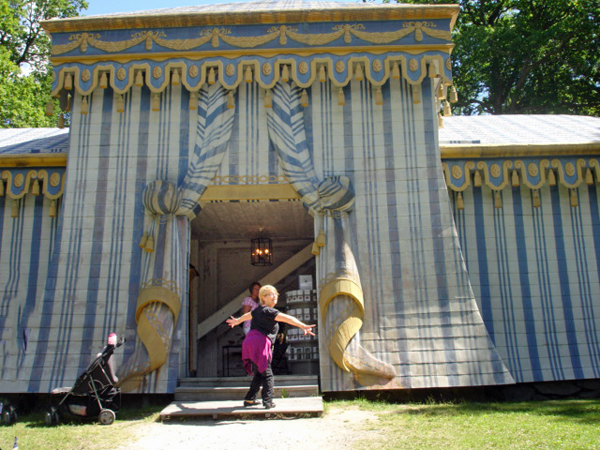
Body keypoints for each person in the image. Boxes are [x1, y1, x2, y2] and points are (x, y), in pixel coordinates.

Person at [226, 285, 315, 409]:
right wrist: (302, 326)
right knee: (267, 374)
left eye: (276, 294)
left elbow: (247, 316)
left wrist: (237, 321)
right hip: (259, 343)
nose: (275, 297)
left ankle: (249, 399)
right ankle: (267, 401)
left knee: (259, 372)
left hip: (250, 342)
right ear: (263, 297)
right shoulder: (270, 311)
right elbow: (288, 318)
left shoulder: (257, 310)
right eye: (271, 294)